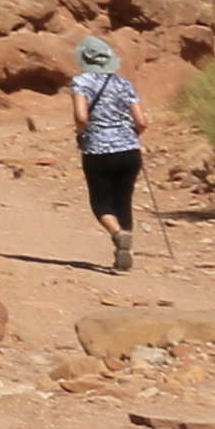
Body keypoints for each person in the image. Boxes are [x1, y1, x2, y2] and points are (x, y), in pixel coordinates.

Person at [59, 36, 144, 271]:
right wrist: (131, 135)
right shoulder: (125, 84)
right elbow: (142, 121)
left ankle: (118, 234)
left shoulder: (81, 82)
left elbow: (81, 116)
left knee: (101, 202)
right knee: (123, 200)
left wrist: (82, 133)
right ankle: (125, 251)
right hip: (129, 150)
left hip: (98, 150)